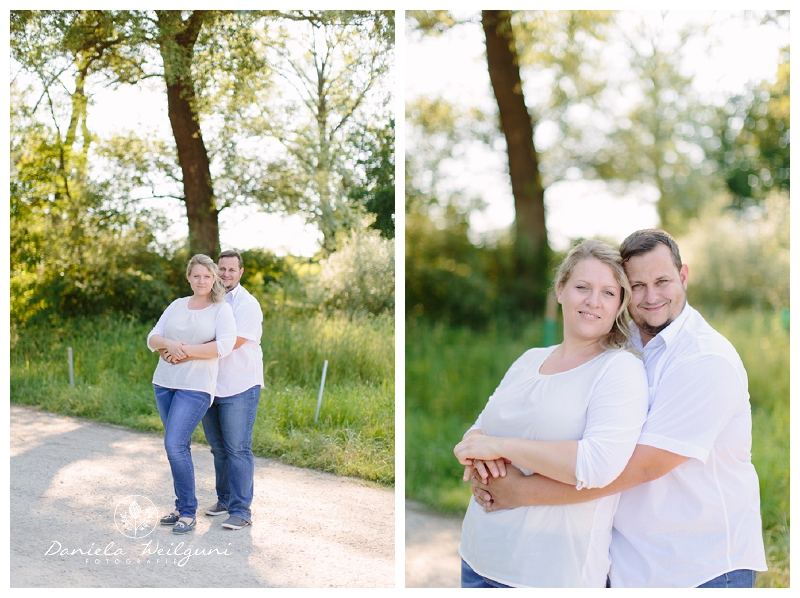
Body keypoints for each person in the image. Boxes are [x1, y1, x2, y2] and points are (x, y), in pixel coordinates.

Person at [472, 229, 767, 588]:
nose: (651, 296)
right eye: (637, 286)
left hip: (700, 566)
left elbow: (640, 467)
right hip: (630, 563)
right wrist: (482, 457)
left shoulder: (705, 359)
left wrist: (517, 492)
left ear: (683, 276)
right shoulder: (621, 344)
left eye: (662, 281)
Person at [453, 239, 649, 588]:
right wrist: (473, 454)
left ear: (620, 303)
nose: (593, 301)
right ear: (560, 290)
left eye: (608, 292)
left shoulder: (619, 370)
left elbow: (597, 465)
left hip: (550, 575)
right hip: (479, 557)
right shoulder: (529, 359)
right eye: (582, 287)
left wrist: (501, 448)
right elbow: (480, 428)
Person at [147, 254, 236, 534]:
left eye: (207, 276)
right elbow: (153, 337)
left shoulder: (220, 309)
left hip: (196, 386)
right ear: (188, 277)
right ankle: (181, 505)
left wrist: (183, 352)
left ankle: (188, 512)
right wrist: (169, 344)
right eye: (196, 276)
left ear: (214, 279)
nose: (202, 281)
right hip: (164, 382)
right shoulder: (176, 305)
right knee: (177, 448)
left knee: (174, 444)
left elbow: (224, 346)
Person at [200, 250, 264, 530]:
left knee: (237, 448)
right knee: (218, 448)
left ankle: (241, 510)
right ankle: (224, 500)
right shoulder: (209, 300)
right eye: (221, 269)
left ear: (241, 272)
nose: (226, 274)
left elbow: (231, 342)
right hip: (209, 383)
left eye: (231, 269)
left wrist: (189, 348)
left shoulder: (247, 304)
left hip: (239, 384)